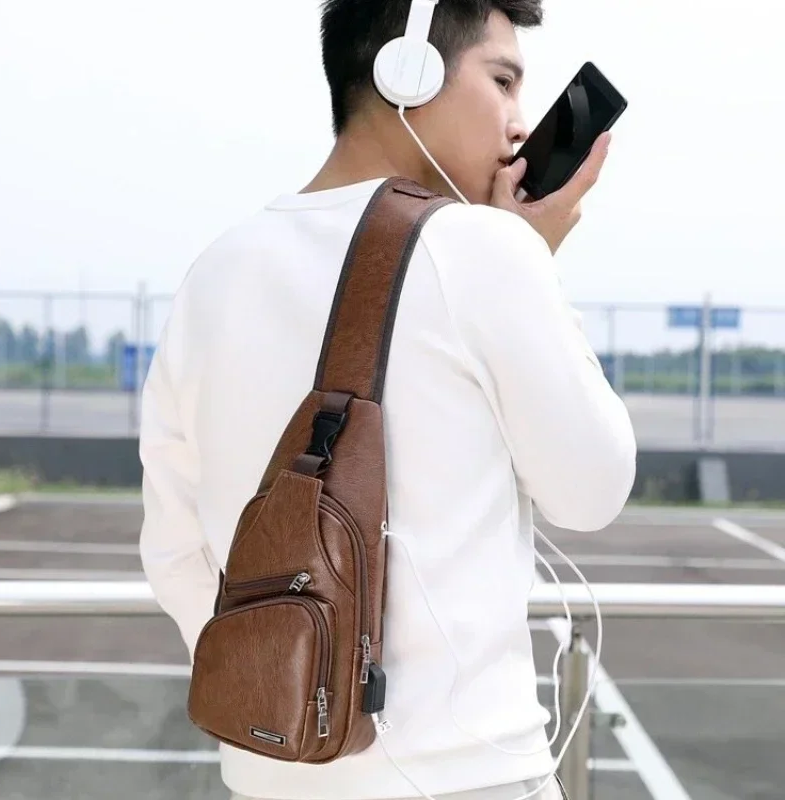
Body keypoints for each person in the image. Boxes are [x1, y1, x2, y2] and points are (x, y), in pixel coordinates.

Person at [138, 1, 637, 799]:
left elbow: (172, 547)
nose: (520, 123)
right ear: (410, 72)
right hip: (464, 778)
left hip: (271, 772)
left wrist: (290, 694)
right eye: (503, 80)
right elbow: (593, 490)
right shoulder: (485, 251)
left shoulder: (216, 270)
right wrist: (533, 262)